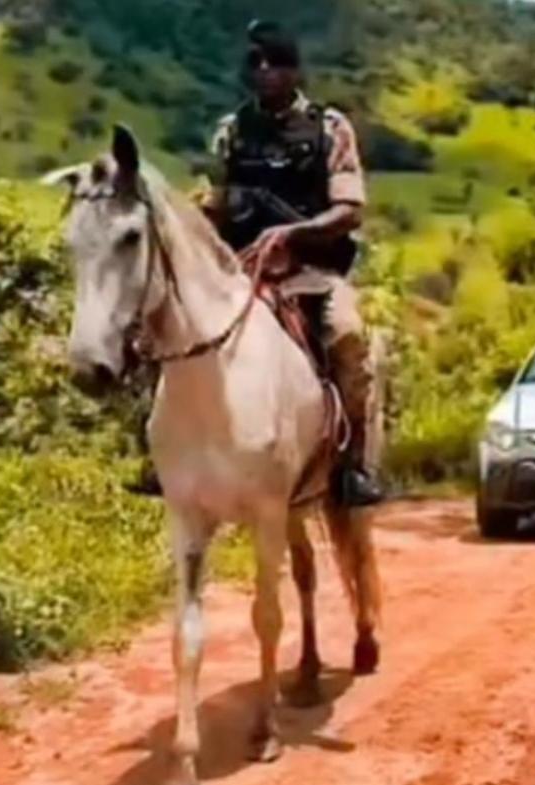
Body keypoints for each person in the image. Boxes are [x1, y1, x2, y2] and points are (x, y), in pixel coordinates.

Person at [199, 19, 384, 507]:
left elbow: (350, 210)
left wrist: (293, 233)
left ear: (295, 70)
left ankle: (353, 466)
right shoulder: (231, 131)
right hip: (241, 272)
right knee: (171, 329)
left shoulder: (329, 128)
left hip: (311, 273)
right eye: (256, 63)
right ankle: (167, 452)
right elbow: (214, 199)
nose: (265, 71)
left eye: (276, 62)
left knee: (347, 337)